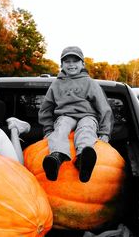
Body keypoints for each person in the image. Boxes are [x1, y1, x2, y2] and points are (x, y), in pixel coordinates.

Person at [38, 46, 113, 183]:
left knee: (86, 128)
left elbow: (103, 108)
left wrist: (105, 132)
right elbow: (46, 108)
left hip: (88, 115)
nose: (71, 64)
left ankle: (83, 159)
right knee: (61, 128)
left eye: (75, 61)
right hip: (65, 115)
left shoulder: (90, 83)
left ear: (82, 64)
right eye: (67, 61)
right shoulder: (56, 84)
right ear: (62, 65)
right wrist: (48, 129)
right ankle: (57, 157)